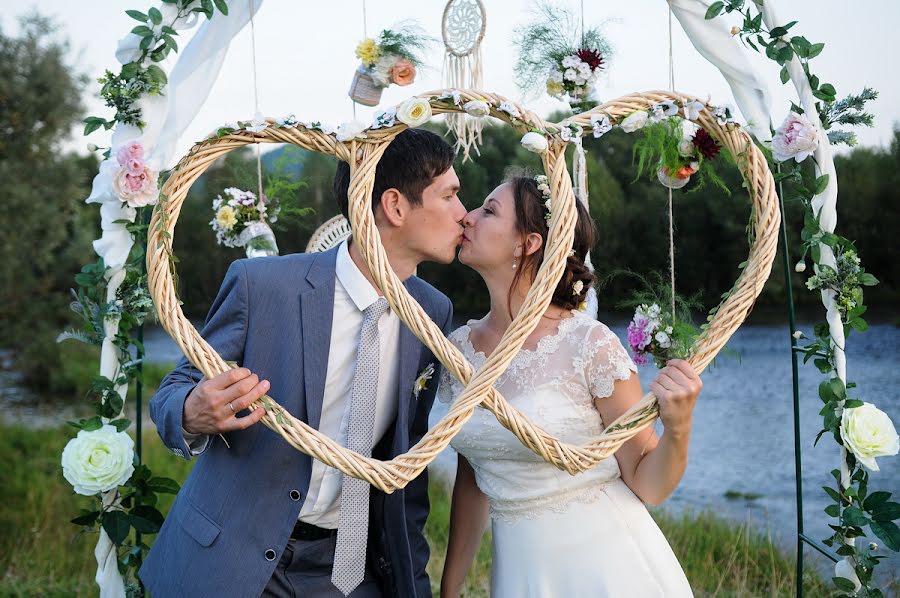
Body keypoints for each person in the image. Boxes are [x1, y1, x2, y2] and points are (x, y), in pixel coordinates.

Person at [139, 129, 467, 598]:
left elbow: (405, 464)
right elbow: (174, 391)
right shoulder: (262, 285)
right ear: (394, 206)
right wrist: (192, 411)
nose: (464, 213)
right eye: (450, 195)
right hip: (234, 559)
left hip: (351, 569)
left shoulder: (435, 311)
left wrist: (413, 585)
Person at [438, 172, 701, 597]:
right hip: (519, 575)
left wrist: (680, 427)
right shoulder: (459, 350)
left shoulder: (589, 345)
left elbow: (647, 482)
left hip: (609, 570)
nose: (466, 217)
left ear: (529, 243)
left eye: (488, 210)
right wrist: (450, 588)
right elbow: (475, 474)